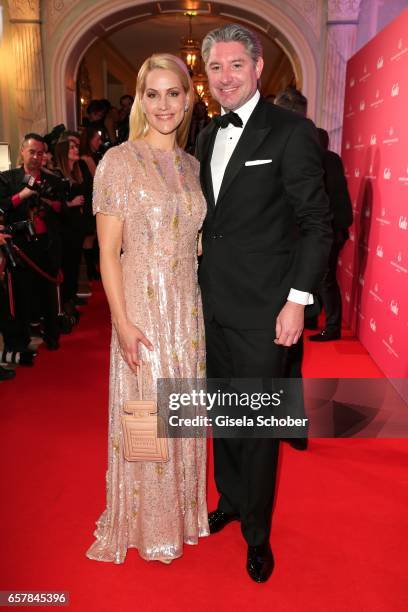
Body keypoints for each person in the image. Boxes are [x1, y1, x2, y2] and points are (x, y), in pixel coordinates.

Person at [196, 24, 332, 583]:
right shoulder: (204, 135)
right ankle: (230, 499)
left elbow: (317, 225)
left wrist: (297, 302)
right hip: (209, 306)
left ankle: (258, 532)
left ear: (257, 69)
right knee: (223, 416)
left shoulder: (292, 133)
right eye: (214, 68)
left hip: (264, 309)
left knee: (255, 423)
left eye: (234, 65)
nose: (224, 77)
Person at [86, 53, 209, 564]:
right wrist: (122, 320)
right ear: (140, 100)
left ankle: (179, 517)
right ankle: (145, 523)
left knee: (180, 412)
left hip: (188, 307)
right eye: (152, 94)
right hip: (142, 307)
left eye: (173, 94)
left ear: (187, 100)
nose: (164, 105)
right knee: (147, 413)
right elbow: (109, 251)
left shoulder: (191, 165)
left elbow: (195, 242)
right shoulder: (119, 161)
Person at [0, 134, 63, 351]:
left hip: (47, 243)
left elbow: (62, 208)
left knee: (48, 293)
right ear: (22, 152)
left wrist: (49, 202)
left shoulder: (52, 178)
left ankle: (52, 334)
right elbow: (2, 206)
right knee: (21, 294)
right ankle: (21, 341)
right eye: (32, 152)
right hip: (19, 245)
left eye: (40, 152)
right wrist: (24, 194)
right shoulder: (8, 178)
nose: (36, 157)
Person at [309, 128, 353, 341]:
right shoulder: (332, 159)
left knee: (325, 277)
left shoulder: (320, 162)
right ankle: (315, 319)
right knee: (321, 275)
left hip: (329, 230)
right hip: (336, 228)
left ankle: (332, 327)